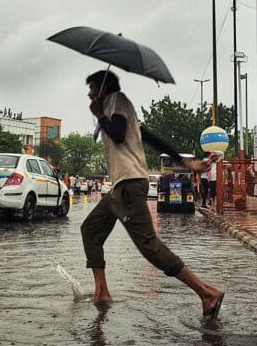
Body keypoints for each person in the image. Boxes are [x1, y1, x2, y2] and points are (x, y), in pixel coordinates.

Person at [80, 69, 225, 321]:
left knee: (148, 244)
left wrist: (100, 114)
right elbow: (152, 138)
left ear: (103, 88)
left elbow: (116, 133)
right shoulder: (122, 107)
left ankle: (206, 292)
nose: (90, 93)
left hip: (129, 185)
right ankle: (101, 292)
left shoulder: (117, 100)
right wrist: (185, 163)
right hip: (119, 187)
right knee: (90, 230)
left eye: (92, 88)